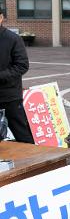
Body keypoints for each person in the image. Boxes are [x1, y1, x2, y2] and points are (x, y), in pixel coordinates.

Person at [0, 9, 34, 144]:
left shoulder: (13, 38)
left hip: (10, 97)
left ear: (1, 17)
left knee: (22, 134)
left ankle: (34, 161)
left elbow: (22, 66)